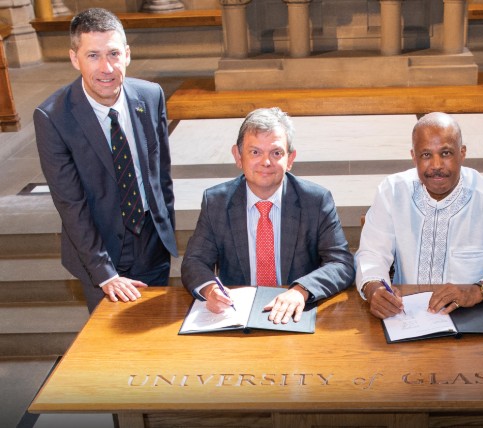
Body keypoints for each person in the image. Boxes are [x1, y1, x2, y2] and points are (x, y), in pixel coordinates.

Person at [34, 8, 178, 313]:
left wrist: (165, 228)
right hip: (101, 254)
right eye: (93, 56)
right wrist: (105, 273)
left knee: (155, 343)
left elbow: (161, 173)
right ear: (75, 59)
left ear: (127, 54)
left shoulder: (151, 96)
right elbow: (71, 205)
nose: (106, 68)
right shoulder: (54, 117)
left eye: (113, 53)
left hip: (152, 245)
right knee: (113, 352)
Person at [355, 112, 483, 319]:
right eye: (426, 155)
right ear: (413, 156)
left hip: (472, 317)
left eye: (445, 153)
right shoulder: (392, 191)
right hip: (405, 316)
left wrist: (479, 290)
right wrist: (374, 288)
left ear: (462, 153)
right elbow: (372, 254)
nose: (436, 165)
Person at [181, 107, 355, 324]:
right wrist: (210, 289)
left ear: (290, 159)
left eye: (276, 153)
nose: (266, 162)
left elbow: (341, 263)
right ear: (238, 155)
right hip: (235, 316)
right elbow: (194, 261)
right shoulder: (216, 202)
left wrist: (301, 291)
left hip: (296, 314)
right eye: (255, 152)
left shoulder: (316, 201)